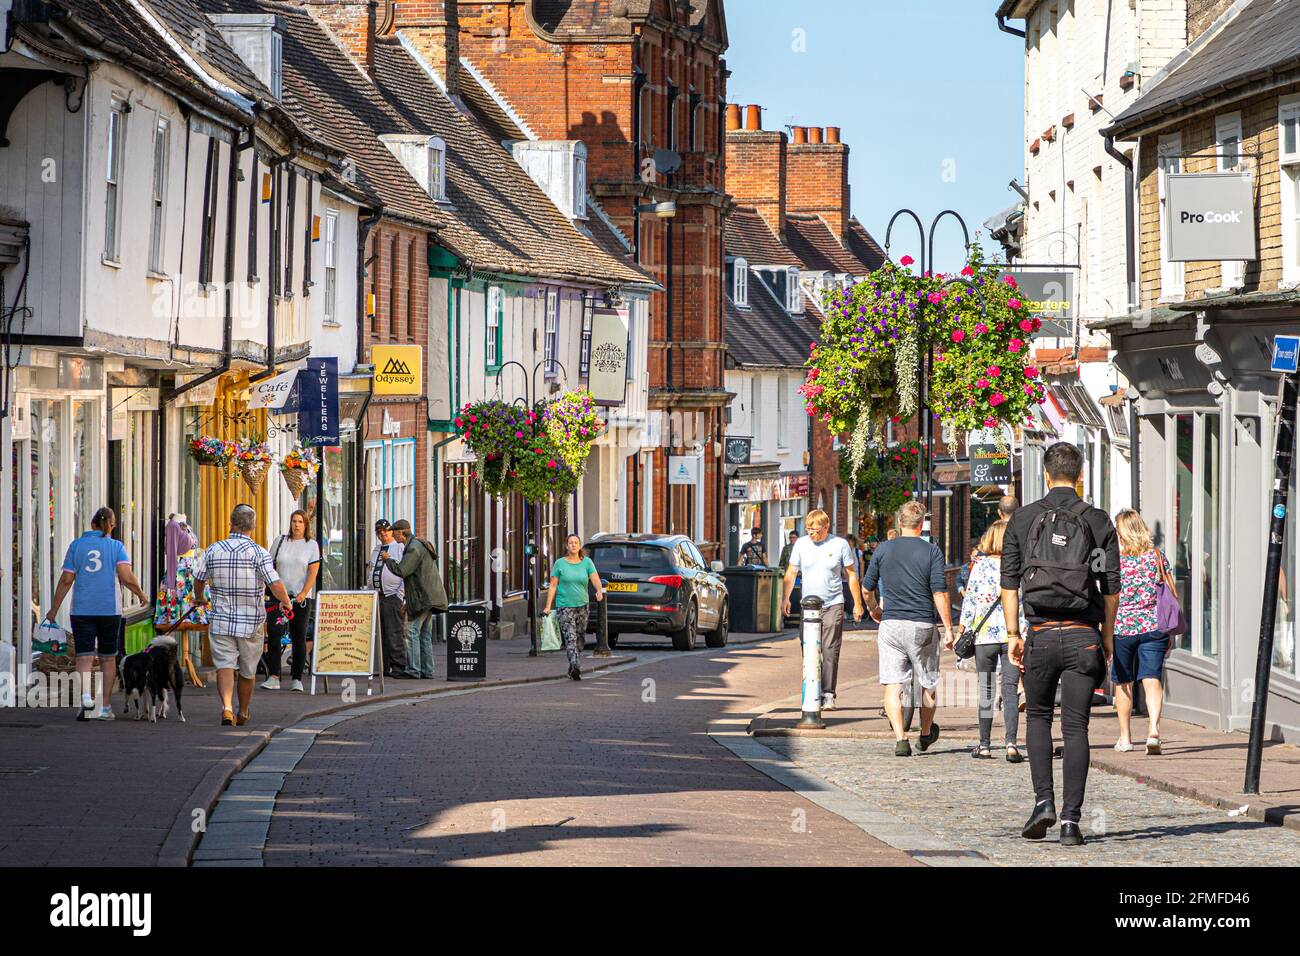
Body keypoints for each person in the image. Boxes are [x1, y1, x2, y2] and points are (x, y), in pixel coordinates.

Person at [1002, 442, 1120, 847]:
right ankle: (1071, 822)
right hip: (1084, 636)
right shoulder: (1099, 521)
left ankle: (1043, 803)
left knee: (1037, 717)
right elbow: (1110, 588)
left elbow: (1009, 583)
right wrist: (1105, 639)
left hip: (1041, 635)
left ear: (1046, 475)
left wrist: (1013, 634)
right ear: (1080, 474)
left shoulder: (1022, 518)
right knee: (1076, 726)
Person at [861, 500, 953, 756]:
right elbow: (940, 593)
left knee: (892, 685)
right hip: (922, 624)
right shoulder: (932, 552)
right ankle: (924, 734)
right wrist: (948, 628)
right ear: (921, 524)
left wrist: (874, 610)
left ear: (899, 522)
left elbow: (867, 588)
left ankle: (901, 738)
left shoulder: (882, 550)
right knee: (928, 684)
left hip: (891, 624)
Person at [45, 507, 148, 719]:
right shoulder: (116, 547)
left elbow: (66, 580)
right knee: (108, 658)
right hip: (109, 610)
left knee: (83, 657)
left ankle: (85, 697)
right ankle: (105, 708)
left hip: (82, 609)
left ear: (92, 524)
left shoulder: (76, 546)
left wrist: (53, 609)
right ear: (110, 525)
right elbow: (126, 577)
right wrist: (141, 595)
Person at [194, 505, 292, 726]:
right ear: (253, 526)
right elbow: (274, 583)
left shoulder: (213, 549)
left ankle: (227, 707)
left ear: (231, 523)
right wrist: (286, 602)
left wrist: (200, 596)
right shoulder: (259, 553)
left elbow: (199, 578)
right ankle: (244, 711)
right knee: (248, 670)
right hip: (251, 622)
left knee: (225, 665)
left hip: (221, 620)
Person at [952, 520, 1027, 761]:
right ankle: (1011, 743)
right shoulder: (1016, 566)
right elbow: (1023, 602)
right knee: (1010, 690)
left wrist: (962, 628)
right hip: (1011, 634)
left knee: (986, 690)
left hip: (984, 636)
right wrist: (1023, 632)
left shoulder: (980, 566)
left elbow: (970, 601)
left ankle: (984, 744)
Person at [781, 509, 864, 712]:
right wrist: (785, 598)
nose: (811, 534)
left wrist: (858, 603)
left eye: (815, 531)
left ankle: (827, 694)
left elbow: (851, 575)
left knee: (829, 649)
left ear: (826, 527)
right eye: (808, 530)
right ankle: (812, 690)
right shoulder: (801, 544)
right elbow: (791, 572)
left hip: (833, 603)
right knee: (809, 649)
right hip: (809, 608)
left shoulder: (840, 545)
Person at [1111, 509, 1173, 755]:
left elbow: (1109, 597)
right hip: (1154, 626)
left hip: (1123, 627)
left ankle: (1125, 738)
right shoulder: (1157, 556)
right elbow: (1170, 591)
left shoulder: (1115, 561)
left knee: (1123, 681)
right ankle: (1153, 731)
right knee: (1151, 679)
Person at [261, 510, 320, 692]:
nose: (296, 525)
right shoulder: (280, 541)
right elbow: (268, 566)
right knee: (275, 634)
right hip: (279, 597)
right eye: (294, 521)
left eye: (300, 522)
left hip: (299, 599)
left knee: (298, 637)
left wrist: (303, 593)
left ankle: (297, 679)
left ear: (306, 525)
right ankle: (274, 676)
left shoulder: (311, 545)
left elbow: (312, 572)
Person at [383, 519, 449, 679]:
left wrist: (388, 560)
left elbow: (402, 570)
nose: (393, 535)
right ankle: (427, 670)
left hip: (423, 597)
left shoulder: (413, 548)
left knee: (412, 631)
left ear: (401, 532)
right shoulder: (417, 544)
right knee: (425, 633)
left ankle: (413, 669)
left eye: (394, 532)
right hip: (430, 596)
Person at [542, 533, 606, 680]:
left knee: (580, 638)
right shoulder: (560, 564)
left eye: (576, 542)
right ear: (567, 546)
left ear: (579, 546)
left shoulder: (587, 563)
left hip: (582, 605)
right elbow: (553, 585)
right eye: (570, 543)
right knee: (570, 638)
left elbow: (595, 579)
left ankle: (572, 666)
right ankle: (576, 665)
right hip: (564, 606)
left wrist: (599, 591)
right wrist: (548, 606)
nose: (573, 545)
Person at [368, 519, 410, 679]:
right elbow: (372, 571)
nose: (383, 534)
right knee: (381, 634)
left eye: (386, 530)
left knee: (394, 632)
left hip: (392, 597)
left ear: (391, 531)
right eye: (379, 531)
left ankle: (399, 666)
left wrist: (400, 595)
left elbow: (404, 572)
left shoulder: (399, 548)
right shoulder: (376, 549)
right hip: (378, 596)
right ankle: (384, 666)